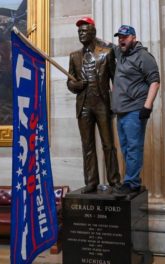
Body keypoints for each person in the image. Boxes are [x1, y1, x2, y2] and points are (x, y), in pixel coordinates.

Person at [67, 17, 121, 194]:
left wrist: (117, 105)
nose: (81, 34)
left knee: (108, 144)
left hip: (102, 105)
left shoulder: (106, 53)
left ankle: (114, 181)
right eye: (79, 32)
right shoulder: (74, 56)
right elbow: (70, 82)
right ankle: (91, 182)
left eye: (84, 31)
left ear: (93, 33)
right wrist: (76, 85)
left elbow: (116, 81)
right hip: (83, 106)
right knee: (87, 145)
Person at [111, 25, 160, 196]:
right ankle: (134, 181)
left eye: (125, 37)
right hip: (121, 111)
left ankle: (130, 182)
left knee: (133, 147)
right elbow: (105, 45)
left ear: (133, 37)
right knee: (125, 148)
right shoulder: (120, 53)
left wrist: (147, 106)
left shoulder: (143, 56)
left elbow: (155, 81)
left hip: (135, 109)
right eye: (119, 37)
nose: (121, 40)